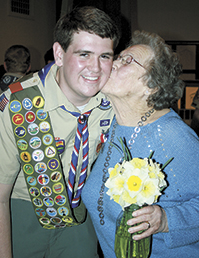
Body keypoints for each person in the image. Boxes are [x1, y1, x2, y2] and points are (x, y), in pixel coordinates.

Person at [0, 6, 120, 258]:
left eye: (105, 56)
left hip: (78, 214)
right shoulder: (20, 104)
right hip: (21, 212)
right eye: (84, 54)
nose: (95, 68)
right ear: (60, 53)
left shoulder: (114, 102)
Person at [82, 30, 199, 257]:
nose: (113, 63)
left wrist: (167, 220)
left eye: (127, 61)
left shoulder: (172, 136)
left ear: (151, 86)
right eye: (118, 57)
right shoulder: (109, 124)